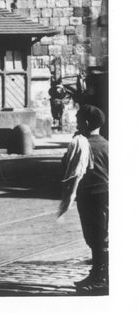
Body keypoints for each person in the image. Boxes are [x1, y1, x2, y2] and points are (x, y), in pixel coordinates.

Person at [58, 104, 108, 293]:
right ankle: (98, 274)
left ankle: (101, 278)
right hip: (105, 194)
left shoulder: (81, 144)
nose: (76, 123)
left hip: (91, 196)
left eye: (78, 119)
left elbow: (67, 169)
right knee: (100, 235)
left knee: (95, 236)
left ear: (85, 123)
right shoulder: (105, 143)